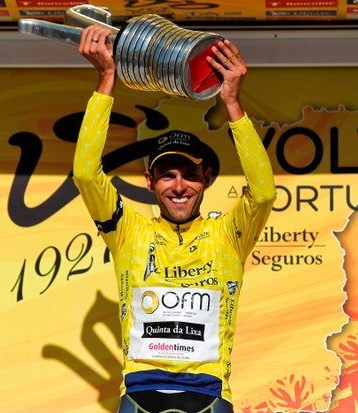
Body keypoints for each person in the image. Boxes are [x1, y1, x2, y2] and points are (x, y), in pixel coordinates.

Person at [73, 24, 276, 413]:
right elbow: (85, 174)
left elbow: (263, 192)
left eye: (189, 174)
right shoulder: (129, 232)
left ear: (207, 178)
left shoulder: (228, 235)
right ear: (149, 181)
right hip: (140, 392)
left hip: (209, 393)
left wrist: (232, 104)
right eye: (167, 175)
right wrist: (106, 79)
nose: (179, 186)